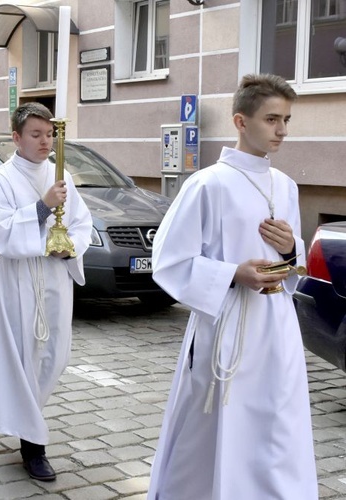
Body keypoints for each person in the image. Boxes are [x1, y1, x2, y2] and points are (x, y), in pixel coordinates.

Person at [146, 74, 317, 499]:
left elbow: (292, 264)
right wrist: (234, 273)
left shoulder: (287, 186)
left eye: (286, 120)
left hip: (276, 327)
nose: (281, 130)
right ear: (241, 121)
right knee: (220, 422)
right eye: (271, 119)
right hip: (228, 326)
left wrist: (292, 251)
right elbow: (169, 260)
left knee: (277, 421)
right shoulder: (208, 183)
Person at [0, 102, 91, 482]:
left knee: (55, 355)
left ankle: (20, 414)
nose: (45, 142)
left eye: (50, 134)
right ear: (16, 138)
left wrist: (70, 246)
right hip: (19, 278)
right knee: (23, 357)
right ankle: (34, 446)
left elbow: (81, 222)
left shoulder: (62, 177)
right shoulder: (0, 180)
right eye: (36, 134)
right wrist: (42, 209)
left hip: (54, 275)